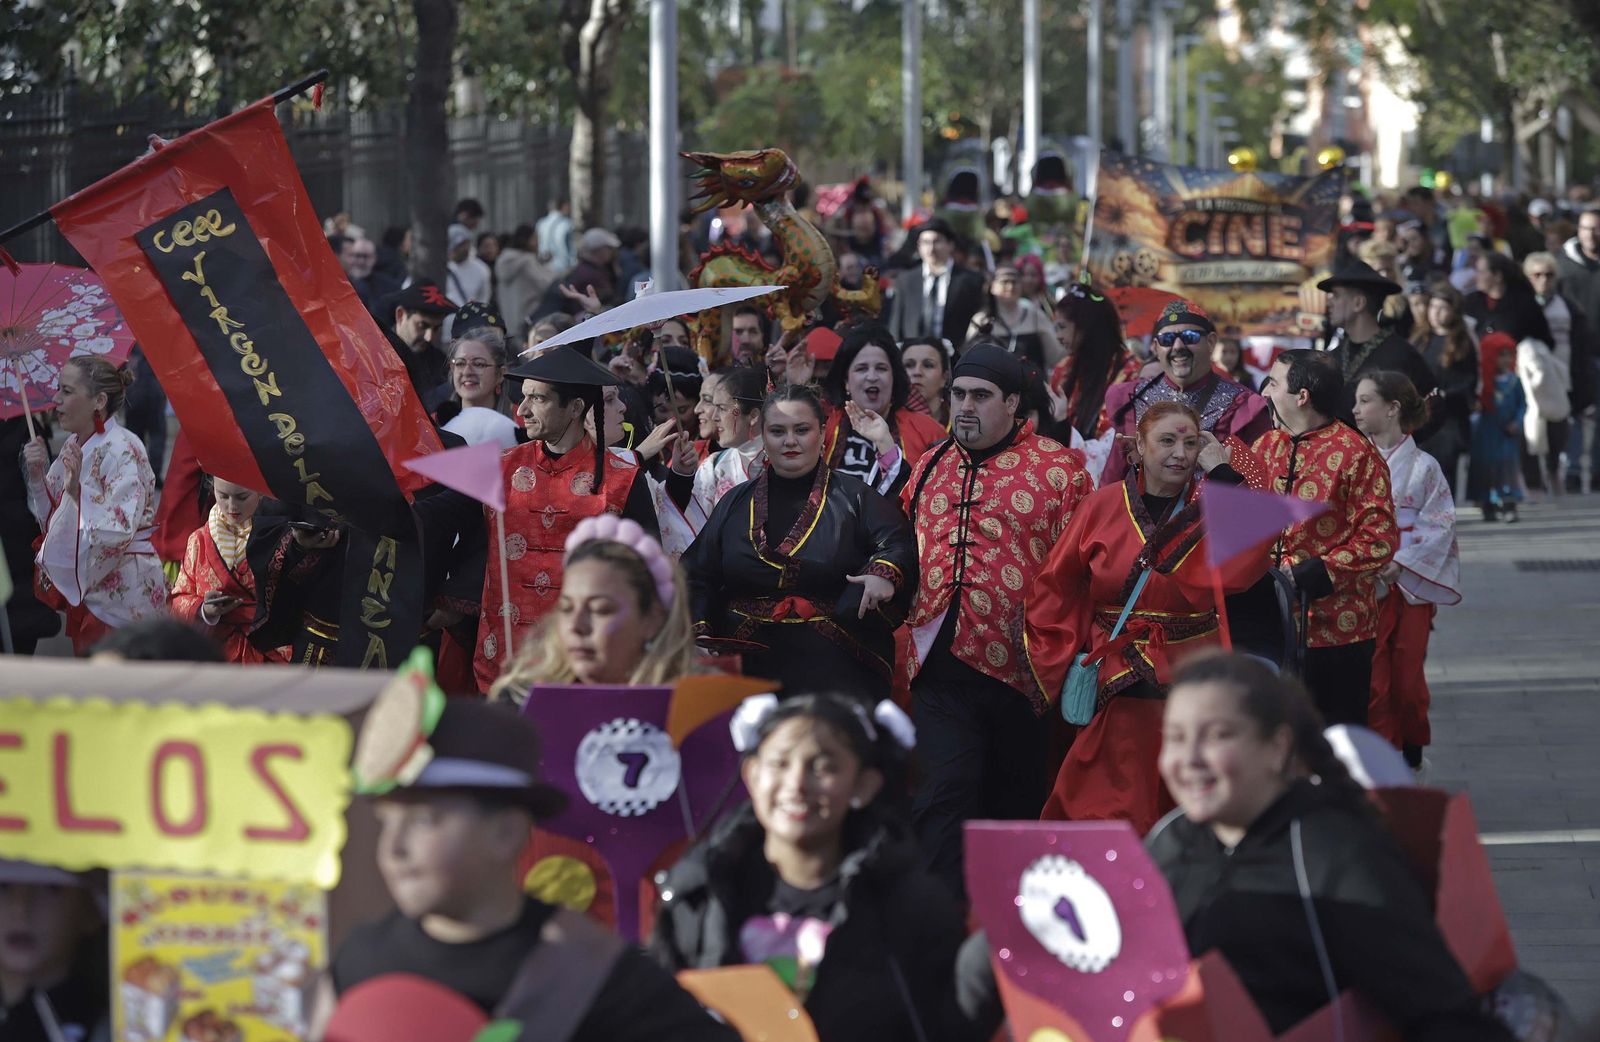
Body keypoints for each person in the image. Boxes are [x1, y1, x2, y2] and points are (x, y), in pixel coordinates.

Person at [323, 692, 739, 1042]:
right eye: (386, 823)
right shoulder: (361, 957)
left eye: (425, 821)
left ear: (506, 833)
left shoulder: (594, 976)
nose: (394, 849)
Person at [1148, 652, 1513, 1042]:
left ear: (1276, 747)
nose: (1190, 759)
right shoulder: (1166, 841)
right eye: (1176, 737)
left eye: (1218, 735)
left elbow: (1446, 1014)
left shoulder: (1335, 852)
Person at [651, 693, 997, 1042]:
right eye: (780, 763)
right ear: (752, 776)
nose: (797, 784)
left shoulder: (911, 905)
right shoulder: (700, 891)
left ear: (864, 785)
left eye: (824, 767)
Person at [900, 343, 1091, 899]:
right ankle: (937, 929)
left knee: (1013, 807)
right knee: (941, 798)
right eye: (958, 394)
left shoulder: (1060, 471)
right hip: (938, 669)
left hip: (1022, 674)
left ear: (1012, 403)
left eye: (980, 397)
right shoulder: (932, 462)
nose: (964, 406)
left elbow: (1084, 572)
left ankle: (1010, 938)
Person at [1025, 402, 1269, 833]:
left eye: (1191, 443)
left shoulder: (1211, 506)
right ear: (1137, 447)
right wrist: (1055, 659)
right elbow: (1057, 586)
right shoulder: (1100, 506)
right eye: (1167, 441)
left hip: (1192, 668)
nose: (1179, 453)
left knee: (1187, 803)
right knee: (1099, 802)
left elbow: (1248, 565)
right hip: (1114, 673)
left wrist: (1223, 476)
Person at [683, 386, 918, 703]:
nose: (789, 441)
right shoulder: (735, 503)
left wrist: (883, 573)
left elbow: (898, 543)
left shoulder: (855, 497)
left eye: (802, 430)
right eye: (777, 431)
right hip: (747, 662)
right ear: (763, 436)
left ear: (822, 432)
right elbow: (697, 573)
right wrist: (700, 629)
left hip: (835, 661)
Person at [476, 346, 660, 690]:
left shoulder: (622, 478)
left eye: (538, 399)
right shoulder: (498, 468)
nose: (523, 410)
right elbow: (462, 537)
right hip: (506, 657)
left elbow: (647, 567)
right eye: (524, 397)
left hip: (585, 658)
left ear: (575, 408)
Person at [1228, 351, 1397, 726]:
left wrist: (1316, 571)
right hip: (1268, 628)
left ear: (1301, 395)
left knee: (1335, 742)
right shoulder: (1265, 446)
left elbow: (1380, 538)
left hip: (1339, 630)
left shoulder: (1357, 454)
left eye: (1273, 383)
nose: (1265, 392)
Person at [23, 357, 168, 654]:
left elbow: (119, 531)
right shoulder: (74, 444)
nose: (56, 399)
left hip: (125, 595)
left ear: (98, 400)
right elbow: (52, 518)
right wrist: (37, 477)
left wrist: (77, 494)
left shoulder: (125, 448)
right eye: (58, 390)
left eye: (66, 391)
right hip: (93, 590)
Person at [1351, 373, 1460, 768]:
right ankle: (1385, 762)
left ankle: (1412, 749)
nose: (1355, 409)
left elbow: (1440, 523)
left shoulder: (1425, 466)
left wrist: (1402, 562)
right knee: (1374, 682)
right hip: (1365, 582)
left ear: (1393, 408)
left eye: (1365, 401)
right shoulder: (1352, 459)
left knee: (1408, 681)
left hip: (1408, 584)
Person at [1100, 299, 1271, 485]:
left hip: (1209, 511)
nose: (1178, 347)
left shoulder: (1244, 406)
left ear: (1211, 342)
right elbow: (1113, 477)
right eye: (1167, 340)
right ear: (1156, 348)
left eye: (1190, 337)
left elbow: (1257, 484)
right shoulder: (1130, 396)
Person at [169, 476, 290, 664]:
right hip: (215, 653)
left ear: (260, 492)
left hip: (270, 652)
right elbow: (178, 599)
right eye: (223, 496)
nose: (232, 506)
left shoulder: (283, 536)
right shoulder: (199, 540)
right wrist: (204, 610)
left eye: (242, 497)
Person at [820, 325, 949, 497]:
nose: (872, 376)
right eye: (861, 368)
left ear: (894, 377)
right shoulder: (821, 425)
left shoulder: (929, 432)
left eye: (881, 368)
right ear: (846, 381)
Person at [0, 860, 109, 1042]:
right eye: (3, 886)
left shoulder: (114, 1027)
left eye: (52, 888)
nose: (21, 908)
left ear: (91, 911)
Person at [1318, 258, 1438, 420]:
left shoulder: (1402, 357)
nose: (1329, 303)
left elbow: (1431, 410)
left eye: (1337, 296)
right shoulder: (1333, 357)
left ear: (1358, 303)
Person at [664, 367, 768, 544]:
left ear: (752, 415)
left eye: (721, 408)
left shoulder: (786, 460)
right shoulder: (714, 467)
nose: (714, 416)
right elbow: (694, 533)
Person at [1523, 252, 1587, 495]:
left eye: (1549, 275)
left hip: (1561, 373)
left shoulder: (1568, 307)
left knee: (1558, 427)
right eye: (1537, 275)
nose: (1543, 280)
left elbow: (1580, 343)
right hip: (1531, 377)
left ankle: (1553, 472)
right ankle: (1532, 479)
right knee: (1530, 427)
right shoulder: (1523, 305)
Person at [1414, 281, 1479, 495]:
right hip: (1423, 416)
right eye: (1432, 307)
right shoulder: (1421, 340)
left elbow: (1469, 379)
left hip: (1450, 417)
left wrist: (1445, 394)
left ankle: (1444, 514)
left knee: (1445, 467)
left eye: (1442, 308)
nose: (1436, 313)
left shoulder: (1461, 343)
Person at [1051, 281, 1137, 440]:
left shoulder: (1130, 370)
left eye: (1062, 327)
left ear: (1086, 325)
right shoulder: (1063, 369)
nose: (1058, 337)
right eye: (1056, 328)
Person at [887, 218, 985, 345]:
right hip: (913, 355)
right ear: (919, 246)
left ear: (950, 245)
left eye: (937, 241)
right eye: (925, 242)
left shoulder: (971, 280)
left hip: (956, 356)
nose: (931, 249)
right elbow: (896, 323)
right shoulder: (906, 280)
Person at [1467, 335, 1527, 522]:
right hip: (1486, 433)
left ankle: (1509, 505)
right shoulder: (1483, 383)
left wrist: (1517, 422)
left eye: (1509, 355)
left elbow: (1522, 405)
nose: (1506, 360)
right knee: (1486, 468)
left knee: (1507, 468)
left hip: (1507, 435)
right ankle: (1488, 506)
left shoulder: (1515, 381)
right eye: (1501, 355)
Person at [966, 262, 1064, 370]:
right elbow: (970, 360)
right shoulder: (981, 320)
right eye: (1005, 281)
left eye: (1014, 281)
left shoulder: (1036, 317)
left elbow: (1055, 357)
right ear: (992, 287)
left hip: (1031, 385)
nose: (1010, 286)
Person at [385, 281, 459, 400]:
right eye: (422, 326)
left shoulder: (439, 361)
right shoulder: (378, 355)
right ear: (401, 315)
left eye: (436, 329)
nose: (429, 337)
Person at [496, 224, 556, 339]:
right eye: (535, 239)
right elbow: (545, 284)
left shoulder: (504, 259)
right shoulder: (526, 260)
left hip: (508, 318)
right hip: (529, 317)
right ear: (525, 240)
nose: (538, 243)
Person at [900, 335, 954, 427]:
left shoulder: (959, 420)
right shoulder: (888, 422)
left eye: (928, 365)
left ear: (945, 377)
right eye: (909, 365)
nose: (917, 372)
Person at [537, 198, 577, 275]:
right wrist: (573, 265)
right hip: (563, 267)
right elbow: (570, 247)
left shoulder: (541, 223)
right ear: (564, 207)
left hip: (544, 266)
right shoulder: (566, 223)